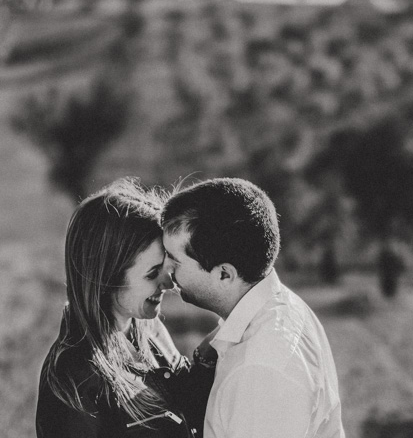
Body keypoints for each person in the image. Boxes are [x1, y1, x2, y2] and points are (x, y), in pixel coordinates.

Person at [161, 178, 345, 438]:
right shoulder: (274, 307)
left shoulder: (261, 372)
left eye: (174, 260)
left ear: (224, 274)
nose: (165, 270)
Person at [36, 178, 215, 438]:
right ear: (107, 277)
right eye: (152, 273)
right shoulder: (74, 379)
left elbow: (182, 399)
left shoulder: (147, 328)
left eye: (167, 268)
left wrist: (212, 351)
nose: (168, 283)